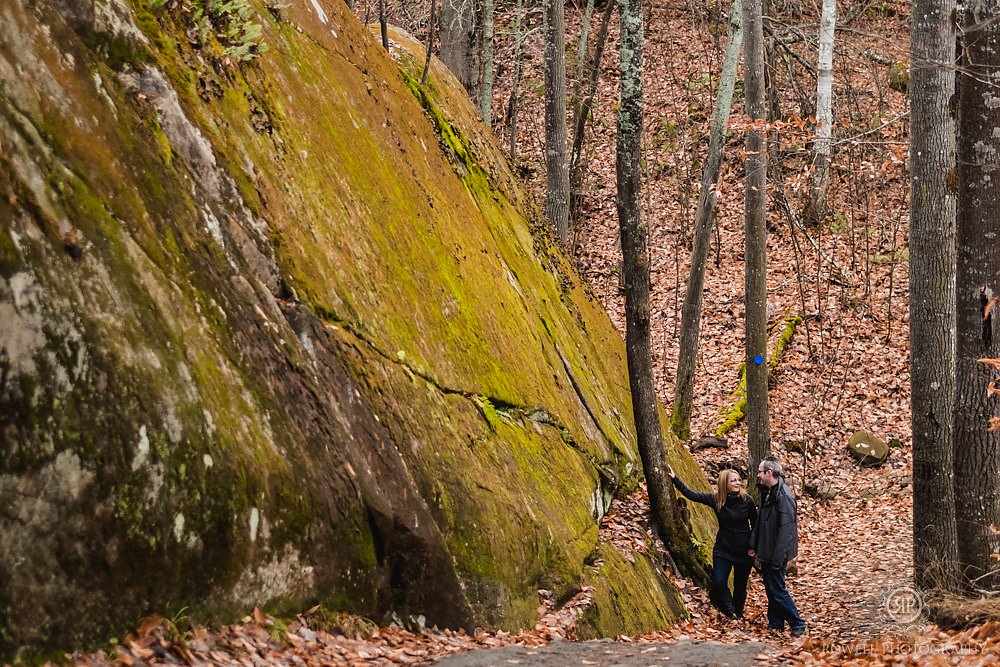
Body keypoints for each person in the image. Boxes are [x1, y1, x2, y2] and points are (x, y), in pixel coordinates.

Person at [668, 464, 757, 618]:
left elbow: (756, 525)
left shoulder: (747, 500)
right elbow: (691, 494)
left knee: (740, 586)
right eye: (733, 481)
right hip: (723, 549)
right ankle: (730, 612)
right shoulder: (716, 500)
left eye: (738, 480)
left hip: (744, 551)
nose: (737, 483)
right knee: (719, 581)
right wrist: (675, 478)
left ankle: (738, 613)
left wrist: (753, 546)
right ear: (725, 484)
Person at [748, 457, 806, 636]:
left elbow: (786, 531)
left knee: (778, 590)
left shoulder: (784, 497)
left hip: (776, 552)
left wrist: (778, 558)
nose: (757, 475)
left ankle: (797, 623)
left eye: (760, 472)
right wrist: (753, 544)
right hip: (767, 549)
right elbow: (761, 522)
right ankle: (775, 622)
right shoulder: (769, 492)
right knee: (771, 588)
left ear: (769, 473)